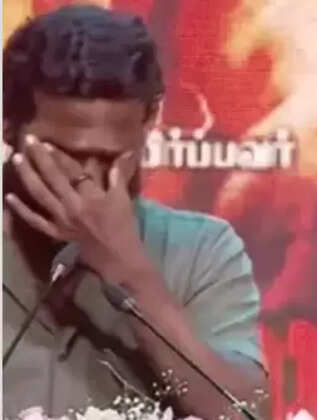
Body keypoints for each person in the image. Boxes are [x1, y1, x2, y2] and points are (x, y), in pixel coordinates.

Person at [2, 5, 268, 419]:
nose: (89, 181)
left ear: (148, 127)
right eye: (66, 154)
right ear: (9, 126)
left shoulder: (201, 250)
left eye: (110, 158)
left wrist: (130, 275)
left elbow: (242, 413)